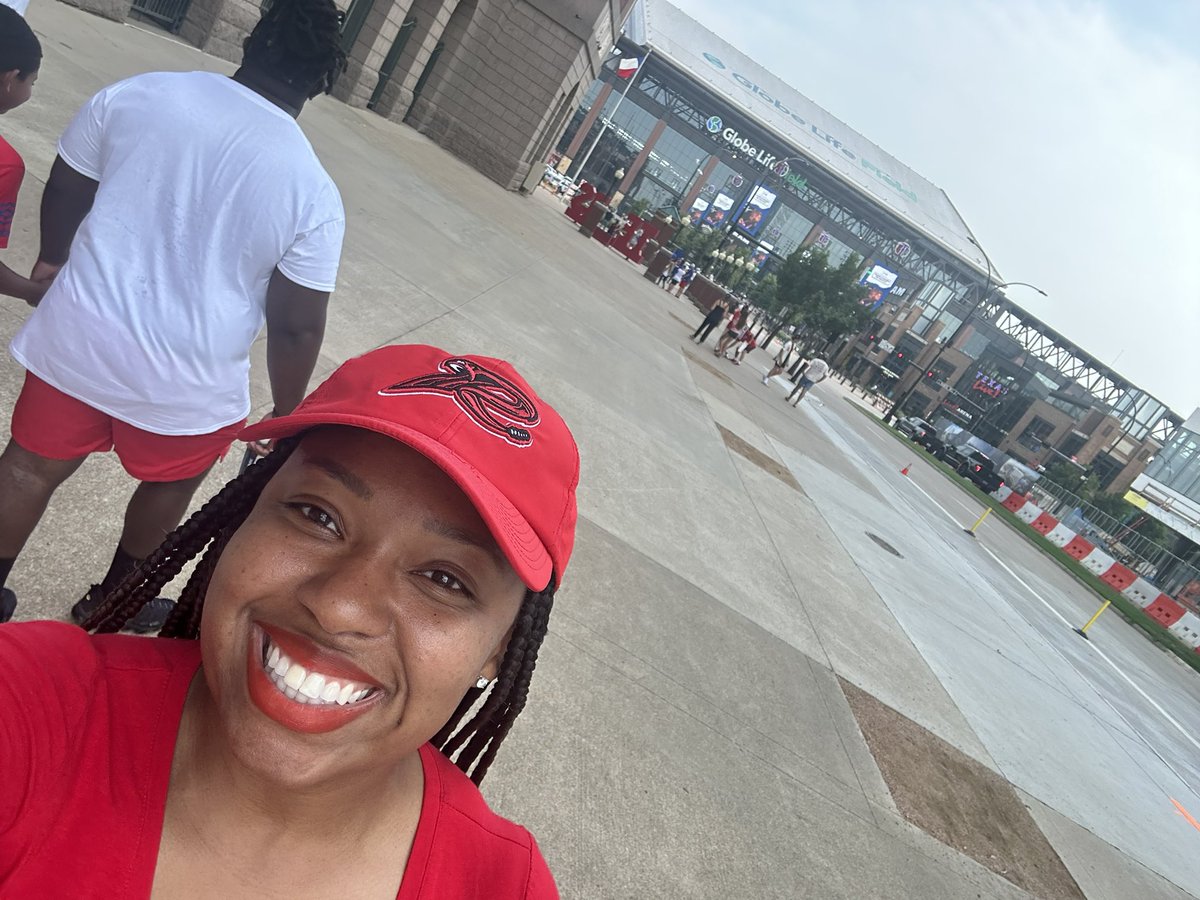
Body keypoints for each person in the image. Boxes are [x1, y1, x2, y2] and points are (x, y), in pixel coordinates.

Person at [0, 343, 578, 897]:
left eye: (445, 580)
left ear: (499, 648)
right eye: (317, 515)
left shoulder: (502, 885)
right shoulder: (39, 702)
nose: (340, 605)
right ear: (245, 513)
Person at [0, 0, 349, 628]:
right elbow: (297, 322)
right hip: (189, 382)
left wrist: (52, 262)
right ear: (322, 80)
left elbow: (68, 183)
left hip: (80, 335)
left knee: (26, 468)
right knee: (169, 486)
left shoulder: (139, 94)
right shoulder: (313, 190)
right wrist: (289, 408)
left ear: (251, 44)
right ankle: (111, 604)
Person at [0, 6, 46, 310]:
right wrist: (33, 291)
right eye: (31, 82)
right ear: (11, 77)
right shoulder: (5, 164)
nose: (28, 91)